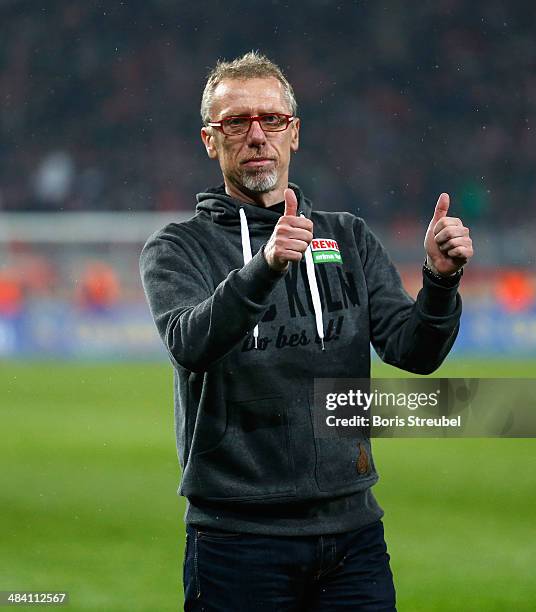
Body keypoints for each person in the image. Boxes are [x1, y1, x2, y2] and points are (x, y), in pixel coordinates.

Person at [140, 51, 473, 612]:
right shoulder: (177, 248)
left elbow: (414, 351)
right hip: (236, 540)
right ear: (209, 140)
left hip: (353, 535)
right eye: (235, 123)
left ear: (293, 134)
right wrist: (263, 267)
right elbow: (190, 344)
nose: (255, 135)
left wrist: (440, 282)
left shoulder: (347, 237)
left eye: (271, 120)